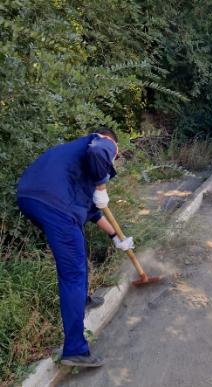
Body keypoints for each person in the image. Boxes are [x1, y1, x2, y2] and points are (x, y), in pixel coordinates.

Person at [16, 127, 134, 368]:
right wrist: (102, 187)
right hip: (55, 203)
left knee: (77, 248)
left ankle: (81, 300)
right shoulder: (102, 143)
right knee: (72, 273)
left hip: (32, 197)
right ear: (114, 144)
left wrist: (115, 236)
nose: (115, 160)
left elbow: (91, 211)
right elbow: (101, 153)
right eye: (117, 156)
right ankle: (75, 349)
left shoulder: (74, 158)